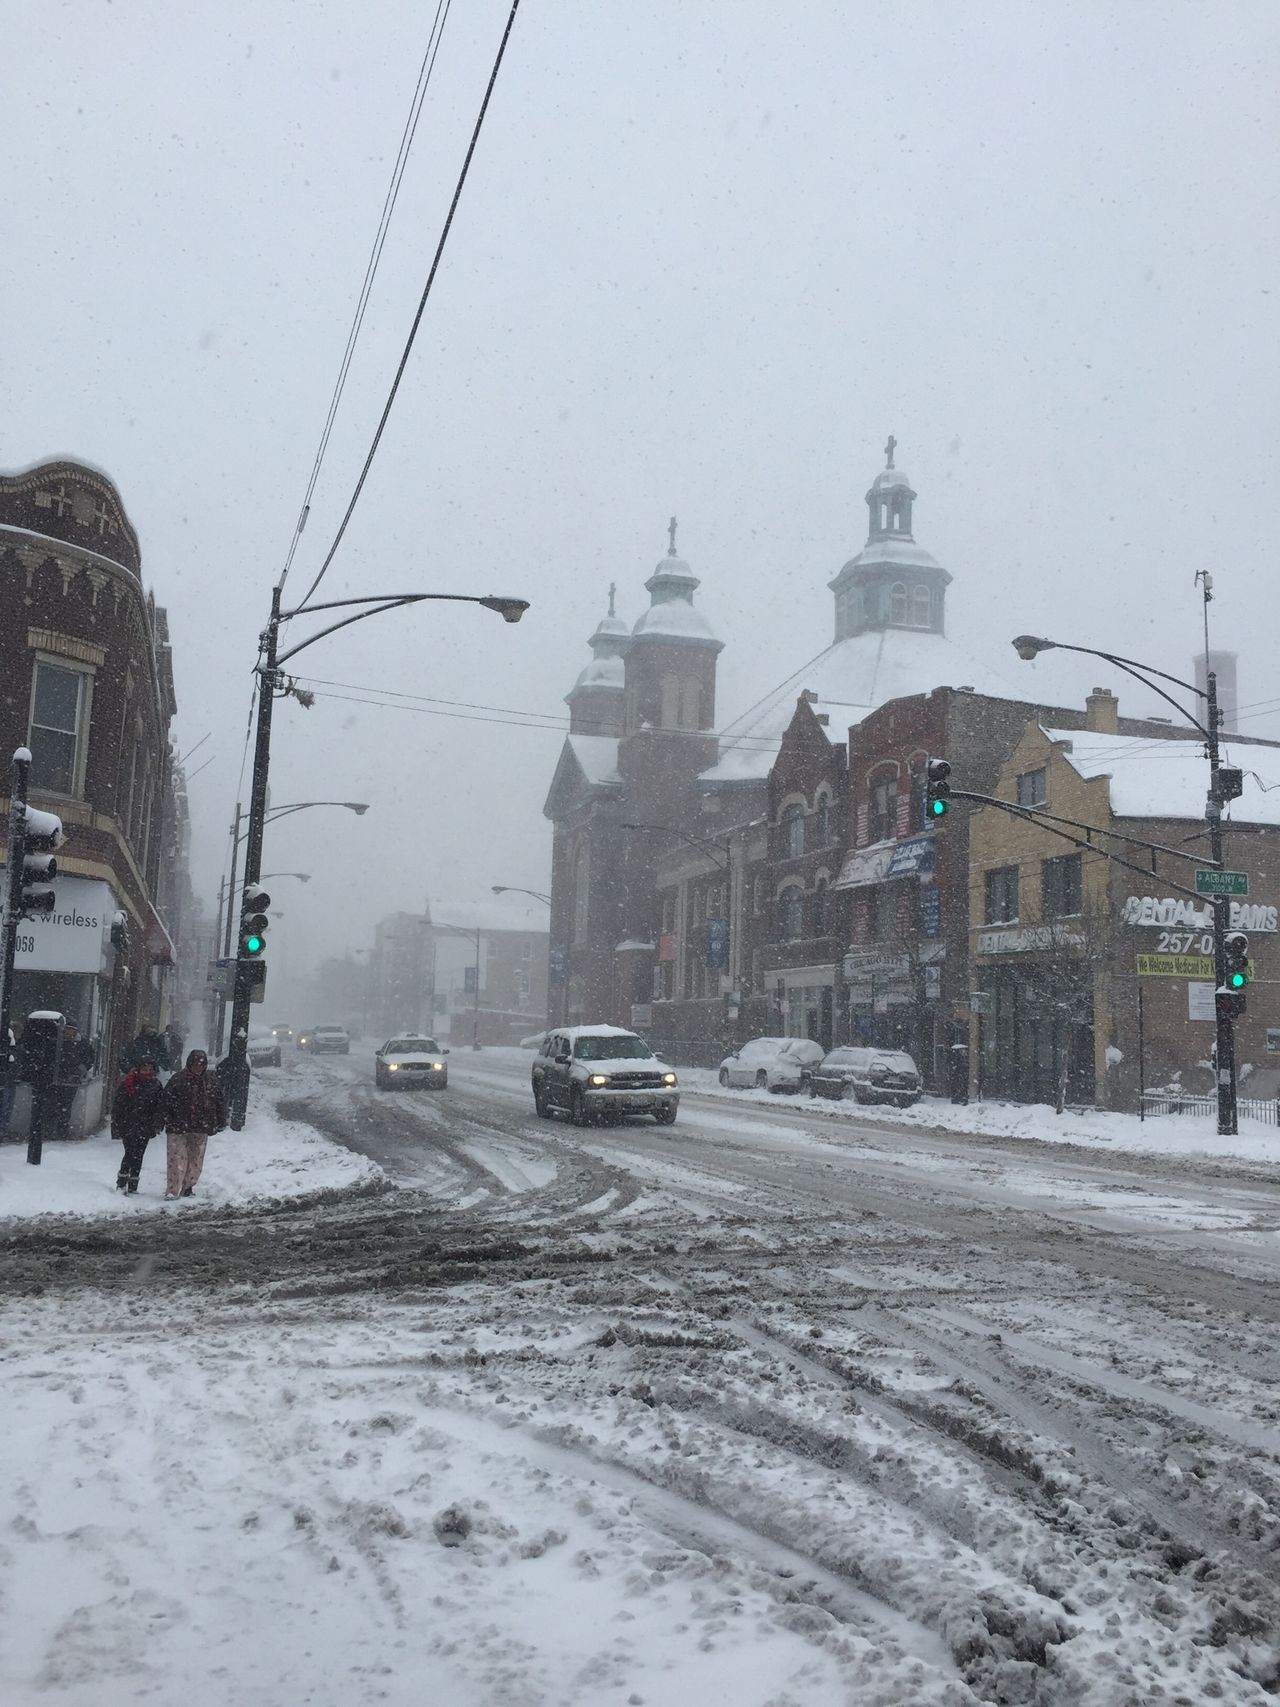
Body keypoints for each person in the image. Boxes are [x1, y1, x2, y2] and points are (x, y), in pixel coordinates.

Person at [163, 1049, 226, 1199]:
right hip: (178, 1126)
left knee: (196, 1159)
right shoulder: (178, 1080)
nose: (198, 1067)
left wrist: (220, 1120)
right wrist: (164, 1119)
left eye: (201, 1065)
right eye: (196, 1064)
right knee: (176, 1158)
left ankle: (188, 1187)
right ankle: (173, 1190)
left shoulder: (210, 1082)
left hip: (200, 1126)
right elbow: (166, 1102)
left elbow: (219, 1102)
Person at [111, 1058, 166, 1193]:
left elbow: (160, 1106)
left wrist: (157, 1123)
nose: (147, 1072)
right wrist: (117, 1124)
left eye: (150, 1069)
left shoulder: (156, 1085)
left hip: (145, 1125)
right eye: (144, 1069)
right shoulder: (128, 1083)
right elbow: (118, 1105)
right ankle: (122, 1181)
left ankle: (133, 1183)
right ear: (138, 1069)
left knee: (139, 1154)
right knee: (129, 1153)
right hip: (128, 1124)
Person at [0, 1025, 15, 1135]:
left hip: (9, 1081)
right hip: (7, 1081)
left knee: (7, 1106)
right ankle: (3, 1129)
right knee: (5, 1107)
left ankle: (3, 1129)